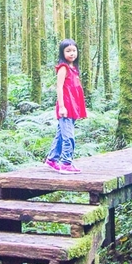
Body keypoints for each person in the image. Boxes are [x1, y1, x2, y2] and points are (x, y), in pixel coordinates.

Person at [45, 39, 87, 175]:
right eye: (68, 51)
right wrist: (62, 107)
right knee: (68, 136)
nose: (72, 53)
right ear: (63, 53)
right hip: (66, 107)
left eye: (74, 50)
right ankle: (66, 163)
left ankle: (52, 159)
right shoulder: (63, 68)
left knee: (61, 135)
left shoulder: (74, 68)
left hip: (73, 106)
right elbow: (59, 87)